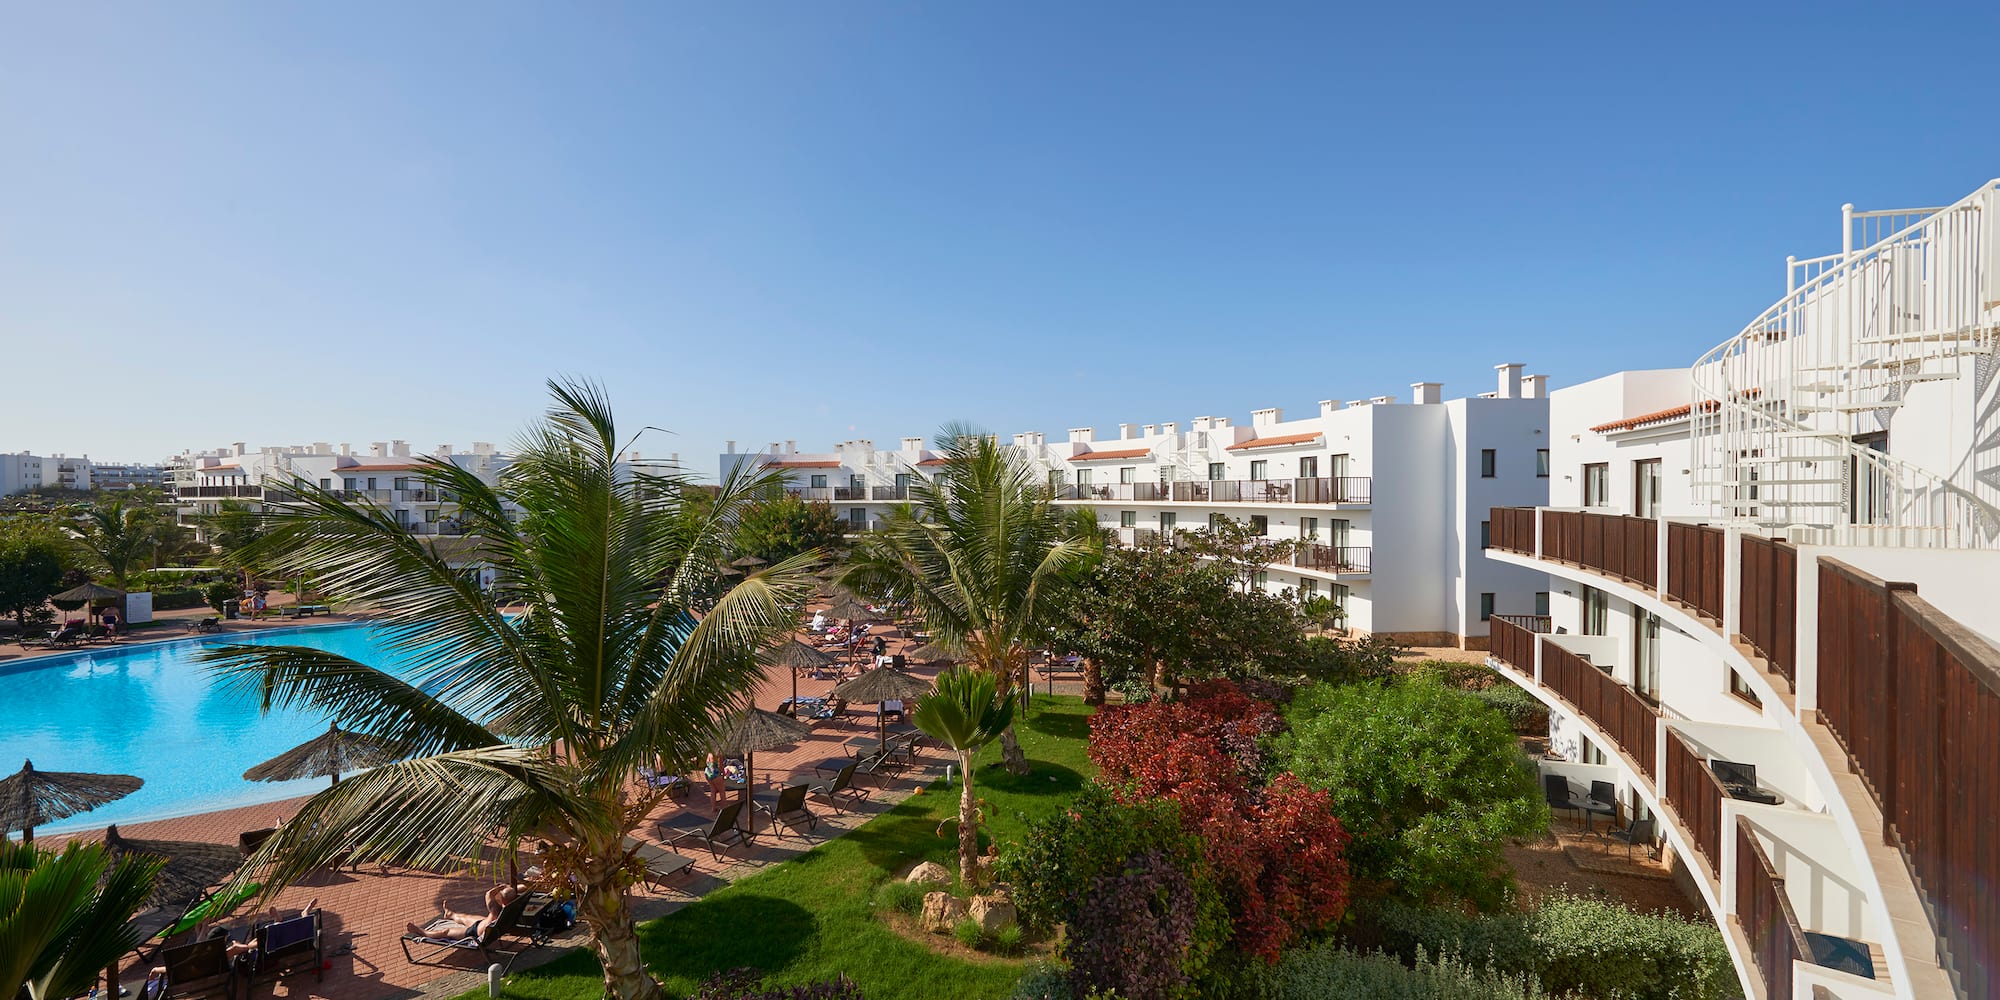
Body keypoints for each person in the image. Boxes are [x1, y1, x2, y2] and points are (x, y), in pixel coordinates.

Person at [406, 885, 518, 940]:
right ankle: (451, 914)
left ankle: (421, 931)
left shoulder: (496, 909)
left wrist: (499, 887)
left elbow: (488, 894)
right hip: (485, 925)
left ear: (501, 899)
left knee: (446, 932)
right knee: (465, 917)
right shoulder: (514, 907)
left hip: (476, 932)